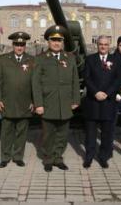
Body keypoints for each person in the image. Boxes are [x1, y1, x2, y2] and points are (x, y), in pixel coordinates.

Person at [32, 25, 80, 172]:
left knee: (62, 134)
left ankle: (58, 158)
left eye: (59, 40)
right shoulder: (40, 59)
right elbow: (35, 83)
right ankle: (48, 159)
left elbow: (75, 80)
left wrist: (75, 100)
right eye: (53, 40)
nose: (56, 43)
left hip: (65, 103)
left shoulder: (70, 58)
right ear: (48, 41)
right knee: (48, 134)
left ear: (63, 42)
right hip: (48, 103)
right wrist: (38, 104)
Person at [0, 31, 34, 168]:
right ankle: (5, 157)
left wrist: (34, 101)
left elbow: (35, 82)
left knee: (22, 132)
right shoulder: (4, 59)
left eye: (22, 44)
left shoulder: (31, 60)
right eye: (17, 44)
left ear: (25, 45)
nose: (19, 47)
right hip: (7, 102)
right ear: (13, 45)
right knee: (6, 131)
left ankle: (17, 156)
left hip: (24, 102)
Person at [83, 35, 121, 168]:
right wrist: (96, 92)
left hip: (108, 102)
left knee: (107, 133)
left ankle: (103, 157)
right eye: (100, 44)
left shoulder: (115, 60)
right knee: (90, 133)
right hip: (93, 101)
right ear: (97, 45)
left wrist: (107, 93)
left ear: (109, 45)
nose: (103, 46)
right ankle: (89, 157)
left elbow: (117, 80)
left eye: (105, 44)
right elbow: (86, 78)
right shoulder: (90, 59)